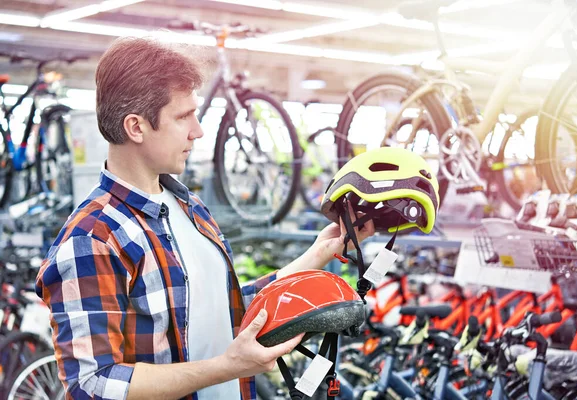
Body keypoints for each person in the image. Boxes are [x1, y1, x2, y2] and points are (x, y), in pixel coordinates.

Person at [35, 36, 374, 400]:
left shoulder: (187, 206)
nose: (198, 131)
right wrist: (226, 367)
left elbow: (218, 307)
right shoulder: (92, 239)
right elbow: (92, 385)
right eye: (184, 116)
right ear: (136, 127)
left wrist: (315, 256)